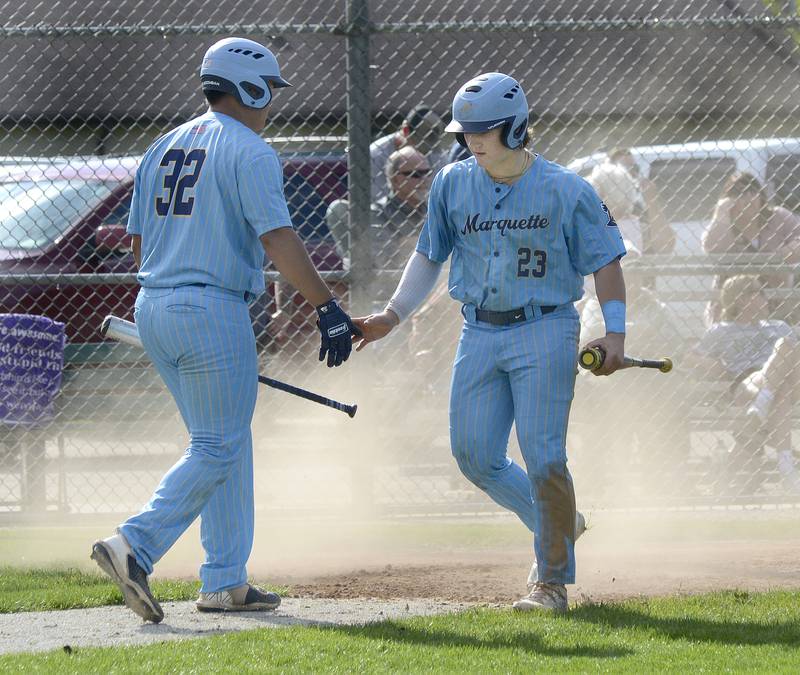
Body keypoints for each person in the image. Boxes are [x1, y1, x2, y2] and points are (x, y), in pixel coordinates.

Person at [90, 37, 358, 623]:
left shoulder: (164, 143)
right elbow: (278, 238)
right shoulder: (251, 149)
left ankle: (225, 581)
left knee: (223, 442)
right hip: (212, 308)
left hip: (154, 304)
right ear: (252, 88)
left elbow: (137, 239)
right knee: (218, 443)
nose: (272, 106)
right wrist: (326, 307)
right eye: (270, 93)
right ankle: (135, 544)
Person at [353, 72, 629, 612]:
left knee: (545, 456)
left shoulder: (567, 188)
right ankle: (561, 521)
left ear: (517, 126)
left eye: (485, 130)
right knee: (474, 455)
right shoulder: (452, 183)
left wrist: (615, 332)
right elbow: (429, 255)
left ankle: (551, 581)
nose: (471, 140)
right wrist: (393, 314)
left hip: (546, 327)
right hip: (478, 330)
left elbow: (607, 262)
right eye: (466, 132)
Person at [691, 275, 800, 494]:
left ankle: (759, 410)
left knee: (786, 346)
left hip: (782, 379)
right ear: (741, 299)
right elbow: (691, 357)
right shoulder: (721, 329)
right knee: (782, 392)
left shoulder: (778, 326)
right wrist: (719, 368)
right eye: (759, 292)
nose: (765, 297)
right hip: (748, 381)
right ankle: (787, 469)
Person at [702, 171, 800, 323]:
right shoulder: (725, 222)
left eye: (753, 192)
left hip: (776, 302)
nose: (749, 199)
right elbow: (713, 247)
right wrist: (721, 213)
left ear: (761, 196)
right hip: (734, 309)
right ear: (729, 200)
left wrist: (777, 258)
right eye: (740, 194)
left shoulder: (777, 216)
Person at [370, 105, 445, 202]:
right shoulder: (376, 155)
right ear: (406, 131)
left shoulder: (436, 154)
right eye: (421, 147)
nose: (425, 153)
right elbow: (376, 202)